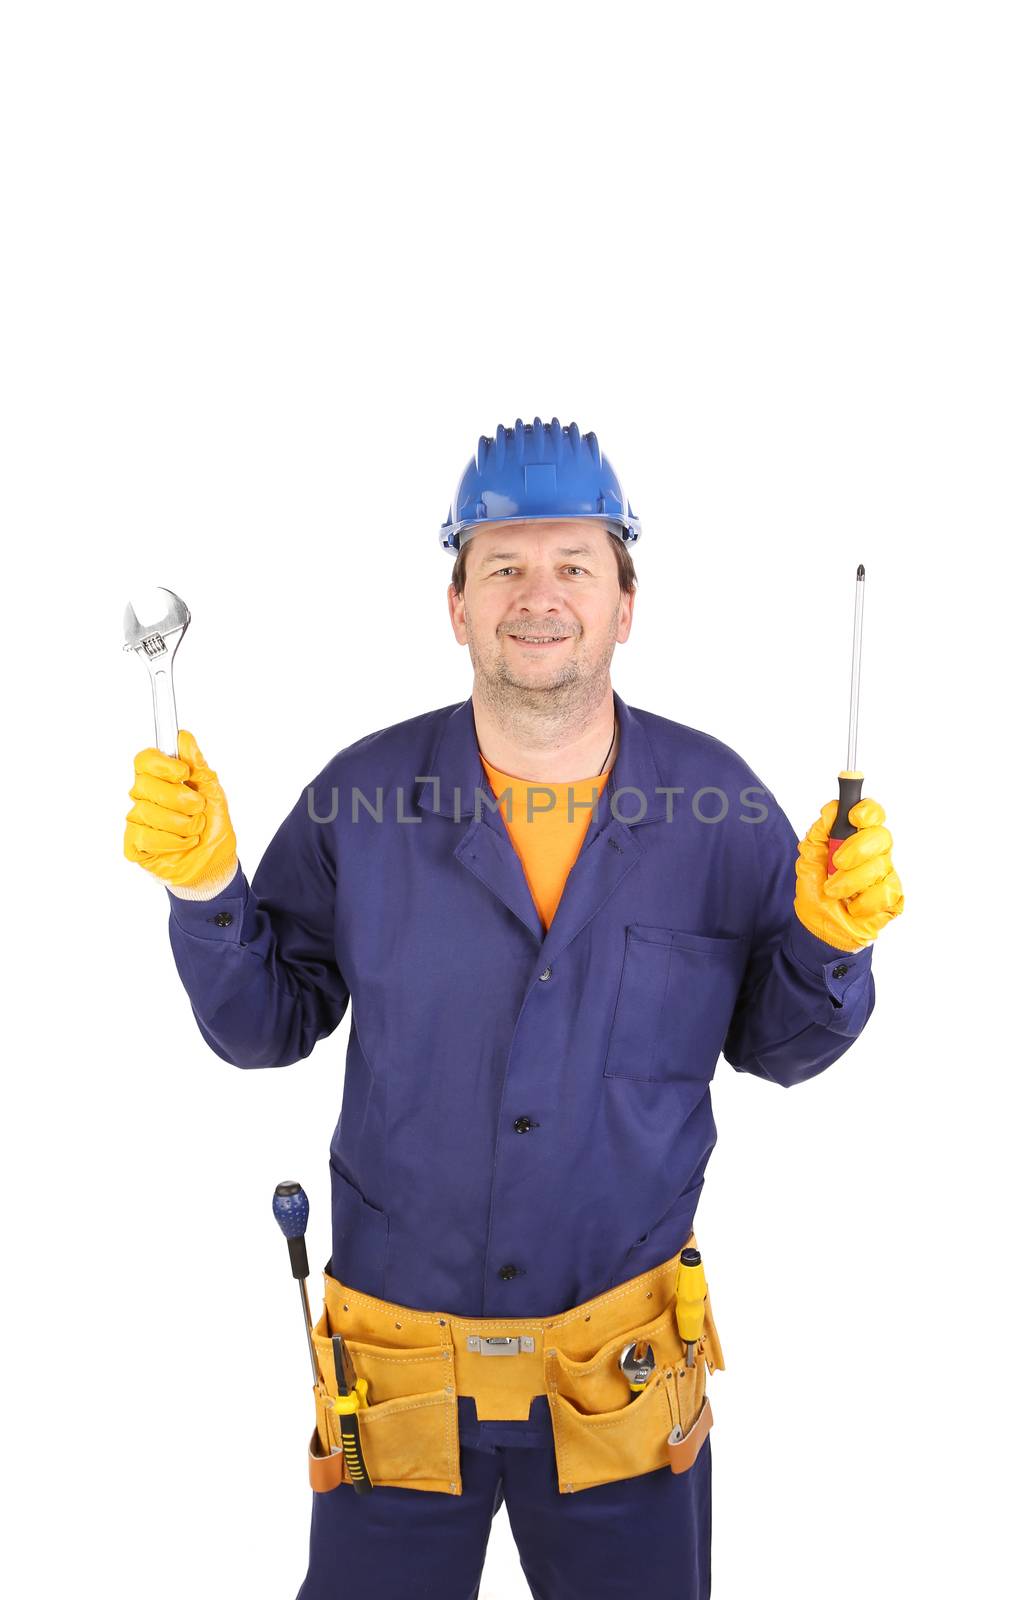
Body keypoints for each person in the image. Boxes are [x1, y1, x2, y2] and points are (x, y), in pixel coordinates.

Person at [123, 416, 903, 1599]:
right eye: (502, 565)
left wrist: (829, 946)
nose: (538, 596)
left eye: (574, 566)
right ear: (456, 602)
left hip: (620, 1390)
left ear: (625, 602)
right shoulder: (361, 800)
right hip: (398, 1389)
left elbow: (778, 1048)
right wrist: (204, 890)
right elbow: (261, 1025)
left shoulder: (719, 808)